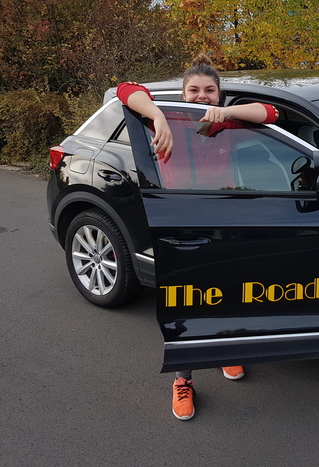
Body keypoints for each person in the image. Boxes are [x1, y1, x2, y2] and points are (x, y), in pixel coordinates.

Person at [116, 53, 280, 421]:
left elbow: (270, 113)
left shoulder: (226, 124)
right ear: (183, 93)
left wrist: (228, 112)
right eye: (194, 90)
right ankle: (183, 380)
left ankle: (223, 353)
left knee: (229, 295)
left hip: (225, 221)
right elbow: (126, 89)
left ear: (219, 94)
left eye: (209, 90)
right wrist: (158, 115)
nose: (201, 96)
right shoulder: (165, 119)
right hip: (181, 226)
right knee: (187, 305)